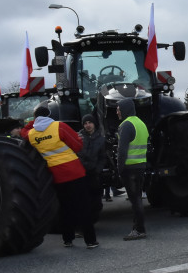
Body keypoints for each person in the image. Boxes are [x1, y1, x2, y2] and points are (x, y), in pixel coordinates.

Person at [21, 105, 98, 248]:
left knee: (64, 207)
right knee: (83, 206)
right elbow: (77, 145)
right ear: (49, 115)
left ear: (36, 118)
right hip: (74, 171)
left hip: (56, 175)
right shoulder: (59, 126)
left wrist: (33, 122)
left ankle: (67, 239)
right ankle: (90, 240)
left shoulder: (32, 134)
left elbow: (23, 132)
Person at [116, 98, 148, 240]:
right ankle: (138, 228)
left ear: (125, 109)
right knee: (138, 198)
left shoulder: (126, 125)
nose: (117, 111)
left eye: (118, 108)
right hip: (141, 165)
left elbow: (122, 151)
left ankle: (139, 230)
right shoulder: (141, 123)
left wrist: (120, 169)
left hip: (130, 168)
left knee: (135, 200)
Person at [77, 114, 105, 227]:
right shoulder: (78, 137)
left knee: (96, 201)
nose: (88, 125)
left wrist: (98, 169)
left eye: (90, 122)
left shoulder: (101, 139)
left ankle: (92, 221)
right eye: (85, 123)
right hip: (81, 173)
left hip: (94, 174)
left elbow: (102, 157)